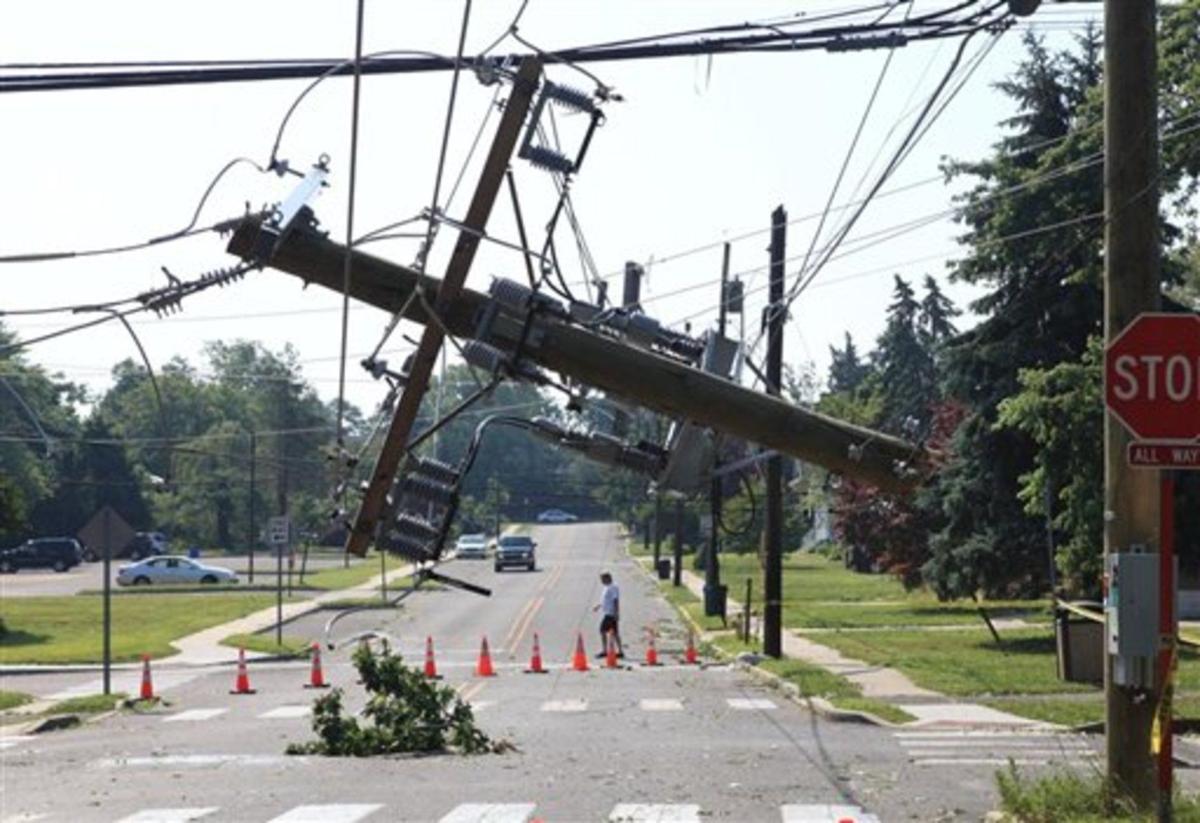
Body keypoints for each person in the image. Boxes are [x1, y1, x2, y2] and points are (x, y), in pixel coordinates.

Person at [593, 571, 624, 657]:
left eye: (602, 579)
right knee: (615, 633)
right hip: (608, 612)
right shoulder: (607, 587)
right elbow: (605, 600)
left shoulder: (613, 587)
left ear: (607, 578)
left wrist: (616, 613)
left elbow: (615, 600)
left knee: (602, 630)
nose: (601, 581)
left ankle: (605, 650)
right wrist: (598, 606)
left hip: (610, 613)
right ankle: (620, 651)